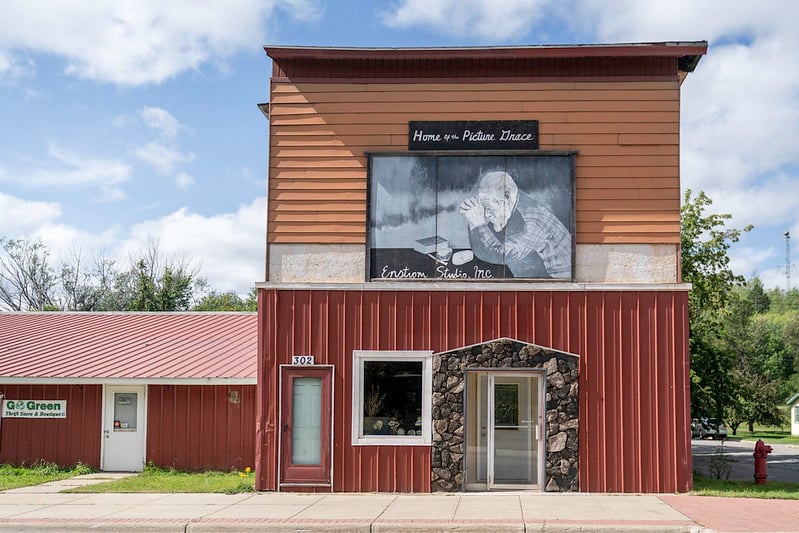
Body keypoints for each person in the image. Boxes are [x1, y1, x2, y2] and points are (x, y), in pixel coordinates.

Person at [458, 170, 571, 278]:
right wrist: (473, 221)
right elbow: (487, 249)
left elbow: (501, 255)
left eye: (489, 208)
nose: (486, 214)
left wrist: (479, 224)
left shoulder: (532, 221)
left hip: (563, 279)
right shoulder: (515, 204)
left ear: (507, 196)